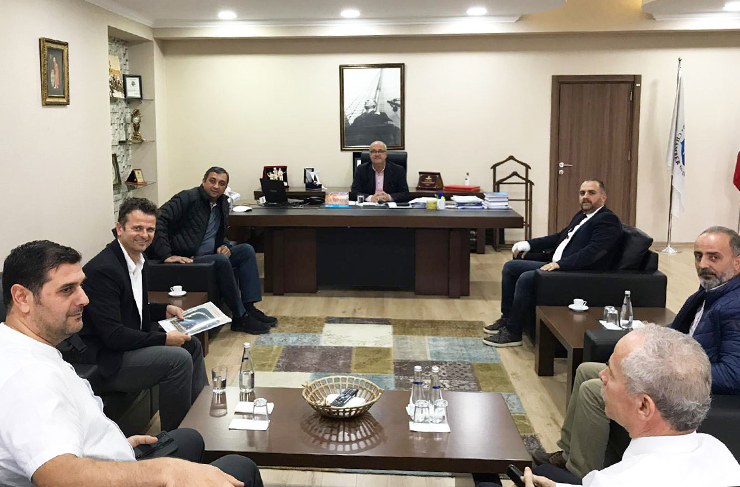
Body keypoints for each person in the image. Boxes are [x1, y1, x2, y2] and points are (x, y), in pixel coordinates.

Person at [0, 240, 263, 487]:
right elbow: (58, 475)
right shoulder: (29, 377)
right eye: (67, 290)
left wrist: (113, 446)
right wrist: (165, 471)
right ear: (22, 297)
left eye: (80, 286)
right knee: (239, 467)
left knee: (190, 438)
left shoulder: (21, 345)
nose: (84, 299)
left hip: (109, 455)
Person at [534, 226, 740, 478]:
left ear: (737, 261)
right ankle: (568, 452)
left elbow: (734, 374)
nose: (703, 264)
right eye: (698, 256)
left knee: (594, 390)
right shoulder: (709, 292)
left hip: (689, 390)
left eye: (714, 257)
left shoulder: (735, 307)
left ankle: (579, 473)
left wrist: (668, 375)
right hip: (675, 374)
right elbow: (673, 335)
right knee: (587, 370)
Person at [74, 197, 207, 432]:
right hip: (107, 359)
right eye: (137, 228)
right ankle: (175, 439)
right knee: (178, 359)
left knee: (192, 345)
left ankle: (199, 422)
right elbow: (113, 336)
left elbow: (133, 307)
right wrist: (164, 339)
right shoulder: (104, 270)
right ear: (119, 229)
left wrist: (163, 309)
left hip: (125, 345)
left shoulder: (137, 260)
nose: (144, 235)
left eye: (150, 229)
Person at [484, 180, 623, 347]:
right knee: (511, 267)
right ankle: (507, 319)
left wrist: (561, 264)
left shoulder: (608, 220)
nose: (585, 197)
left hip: (575, 271)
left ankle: (513, 332)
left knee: (526, 277)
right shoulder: (582, 215)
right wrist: (529, 244)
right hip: (557, 263)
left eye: (591, 193)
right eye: (582, 193)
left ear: (603, 197)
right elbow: (559, 237)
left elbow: (593, 252)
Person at [148, 166, 276, 335]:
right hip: (188, 258)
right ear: (203, 181)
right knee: (221, 260)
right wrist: (167, 255)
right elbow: (158, 219)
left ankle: (249, 307)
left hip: (209, 255)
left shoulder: (222, 203)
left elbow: (220, 234)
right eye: (212, 181)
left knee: (246, 250)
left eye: (221, 184)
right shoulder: (187, 197)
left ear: (225, 187)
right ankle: (240, 317)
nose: (216, 186)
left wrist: (225, 245)